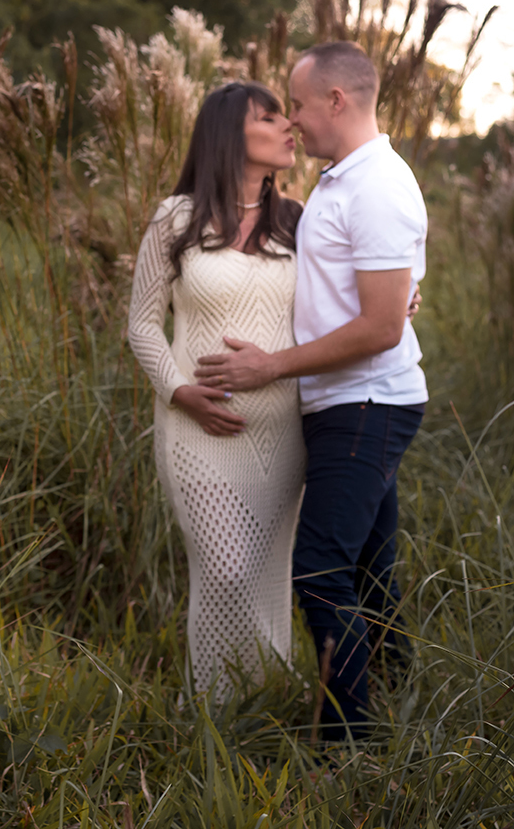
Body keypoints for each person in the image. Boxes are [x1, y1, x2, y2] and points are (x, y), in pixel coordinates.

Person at [194, 41, 427, 741]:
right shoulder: (341, 181)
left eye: (296, 104)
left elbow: (383, 327)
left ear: (336, 100)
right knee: (369, 567)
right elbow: (377, 295)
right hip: (345, 402)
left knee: (322, 569)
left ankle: (345, 740)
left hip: (367, 402)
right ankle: (397, 694)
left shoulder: (378, 184)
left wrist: (273, 366)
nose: (291, 120)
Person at [127, 81, 307, 698]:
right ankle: (211, 708)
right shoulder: (176, 217)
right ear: (231, 133)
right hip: (196, 430)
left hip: (284, 432)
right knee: (226, 568)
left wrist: (402, 298)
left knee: (265, 571)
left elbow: (350, 303)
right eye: (271, 116)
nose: (290, 126)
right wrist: (181, 392)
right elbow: (143, 324)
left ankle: (266, 700)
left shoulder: (297, 220)